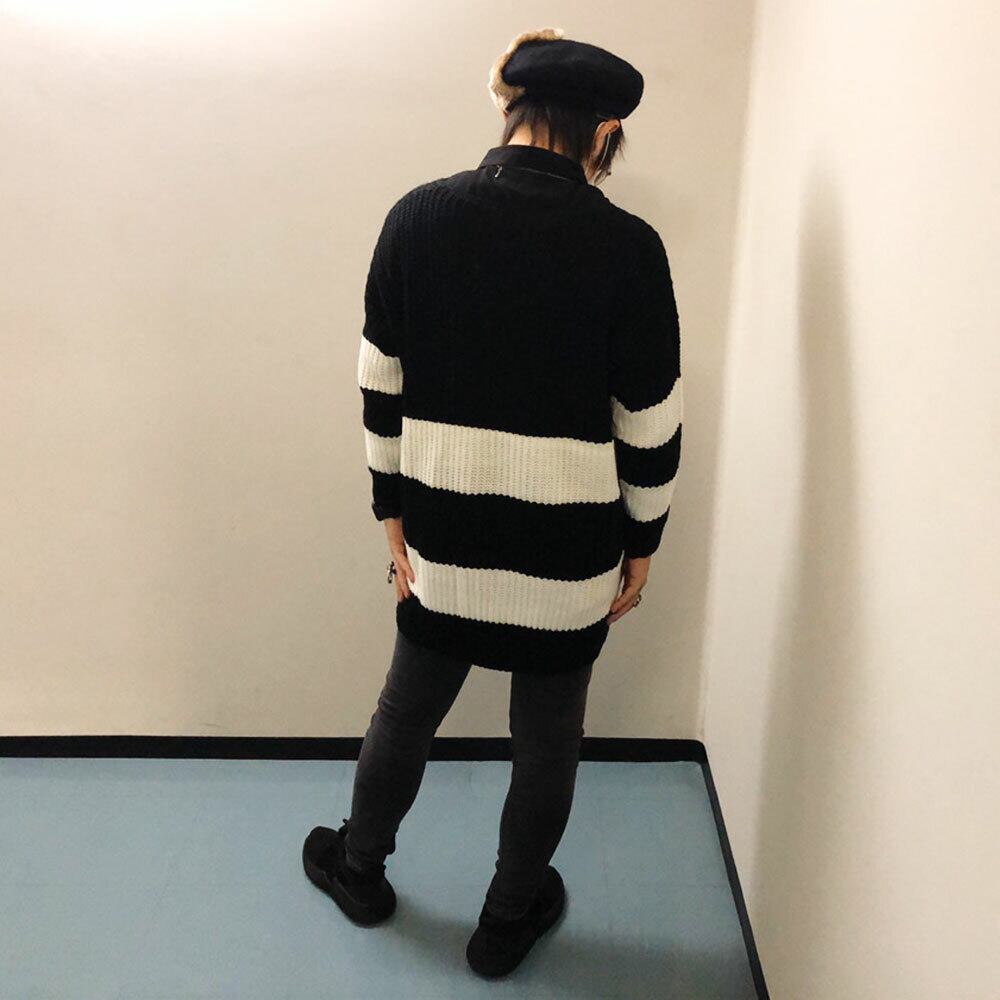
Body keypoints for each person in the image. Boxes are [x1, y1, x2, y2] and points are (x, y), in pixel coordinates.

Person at [302, 26, 684, 979]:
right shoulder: (631, 249)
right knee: (548, 739)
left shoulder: (416, 218)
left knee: (405, 713)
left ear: (510, 109)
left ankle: (359, 869)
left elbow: (380, 385)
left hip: (446, 534)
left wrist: (392, 514)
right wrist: (642, 541)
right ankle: (506, 919)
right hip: (568, 554)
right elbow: (648, 422)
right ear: (603, 133)